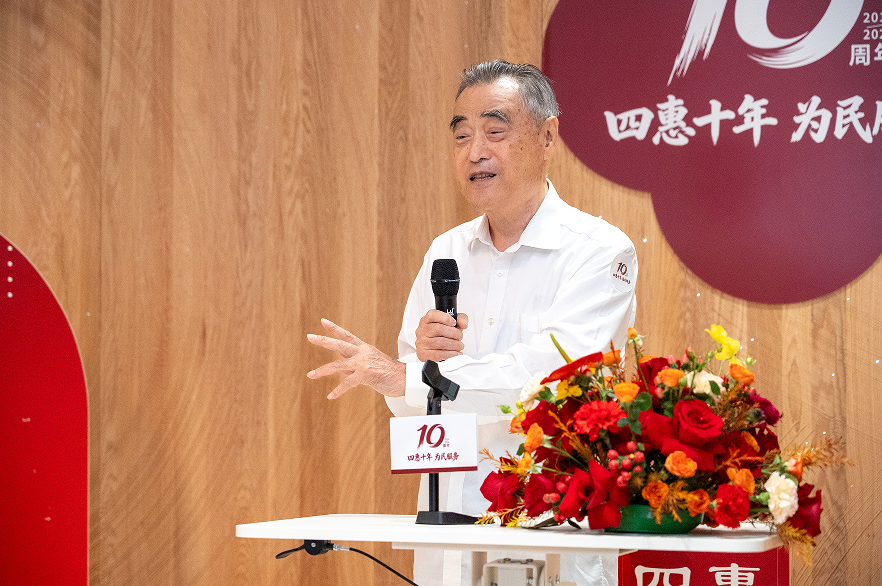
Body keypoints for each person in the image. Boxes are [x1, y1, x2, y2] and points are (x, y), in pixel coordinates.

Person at [308, 60, 638, 586]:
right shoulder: (447, 251)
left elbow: (552, 376)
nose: (475, 151)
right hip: (449, 523)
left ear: (547, 136)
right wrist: (412, 372)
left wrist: (411, 376)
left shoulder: (599, 251)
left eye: (494, 131)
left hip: (551, 523)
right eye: (461, 136)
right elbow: (408, 398)